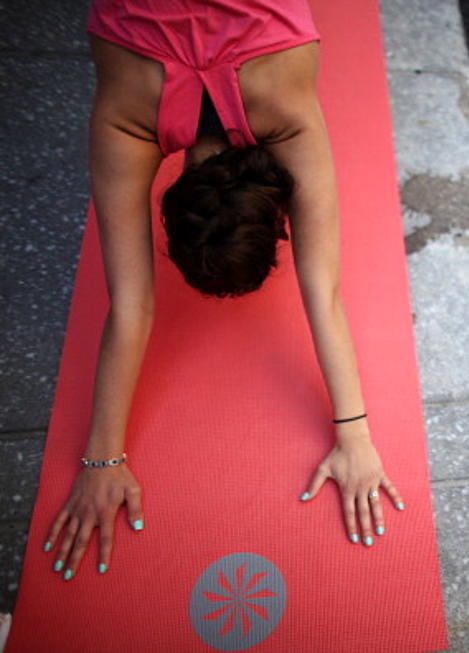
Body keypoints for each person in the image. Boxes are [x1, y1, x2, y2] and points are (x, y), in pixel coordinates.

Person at [41, 0, 404, 582]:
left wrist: (355, 434)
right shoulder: (127, 120)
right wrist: (101, 460)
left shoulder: (287, 111)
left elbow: (136, 308)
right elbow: (321, 294)